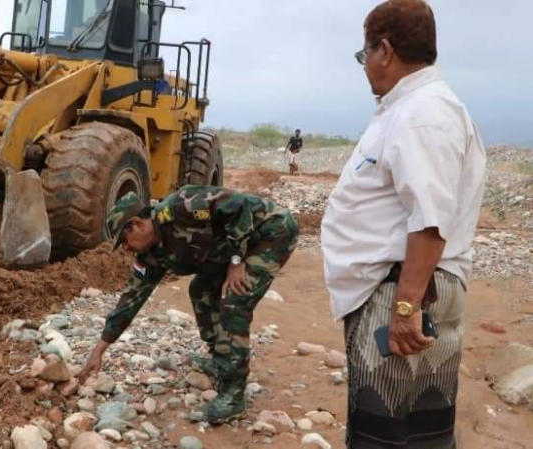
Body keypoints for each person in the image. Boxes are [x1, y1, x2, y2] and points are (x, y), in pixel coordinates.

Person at [320, 1, 486, 448]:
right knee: (420, 428)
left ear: (386, 50)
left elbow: (430, 220)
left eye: (365, 54)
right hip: (411, 288)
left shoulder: (422, 113)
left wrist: (405, 308)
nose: (365, 66)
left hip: (404, 291)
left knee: (384, 432)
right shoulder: (416, 107)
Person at [77, 185, 298, 423]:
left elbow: (237, 204)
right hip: (233, 248)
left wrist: (236, 261)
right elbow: (130, 300)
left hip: (271, 232)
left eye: (125, 240)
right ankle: (220, 360)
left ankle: (233, 397)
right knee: (201, 289)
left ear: (139, 224)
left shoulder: (182, 204)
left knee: (235, 299)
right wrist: (99, 350)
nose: (127, 249)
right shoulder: (150, 257)